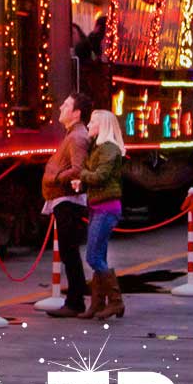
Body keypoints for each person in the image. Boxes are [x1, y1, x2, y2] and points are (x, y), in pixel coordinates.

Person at [71, 109, 126, 319]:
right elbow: (94, 176)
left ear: (102, 126)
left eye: (92, 122)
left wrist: (82, 175)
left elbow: (101, 176)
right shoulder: (98, 148)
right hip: (97, 206)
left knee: (93, 256)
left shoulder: (109, 149)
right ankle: (97, 304)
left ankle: (115, 301)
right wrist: (83, 180)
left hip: (106, 208)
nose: (88, 126)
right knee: (99, 255)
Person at [43, 92, 92, 318]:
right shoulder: (73, 135)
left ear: (77, 113)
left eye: (67, 105)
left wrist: (55, 177)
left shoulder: (76, 137)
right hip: (64, 200)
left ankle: (75, 301)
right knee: (68, 250)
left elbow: (78, 169)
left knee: (68, 250)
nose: (61, 106)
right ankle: (77, 295)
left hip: (67, 201)